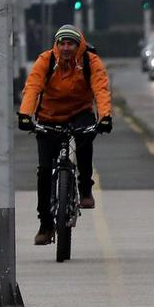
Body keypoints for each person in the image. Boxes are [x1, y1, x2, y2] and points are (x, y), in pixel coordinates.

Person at [17, 25, 113, 246]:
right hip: (49, 115)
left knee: (86, 139)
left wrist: (105, 117)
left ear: (79, 45)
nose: (66, 48)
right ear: (57, 44)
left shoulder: (90, 61)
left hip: (80, 112)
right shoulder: (46, 60)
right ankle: (45, 223)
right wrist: (25, 115)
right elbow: (32, 87)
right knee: (43, 171)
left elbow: (100, 88)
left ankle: (85, 187)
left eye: (71, 43)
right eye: (62, 43)